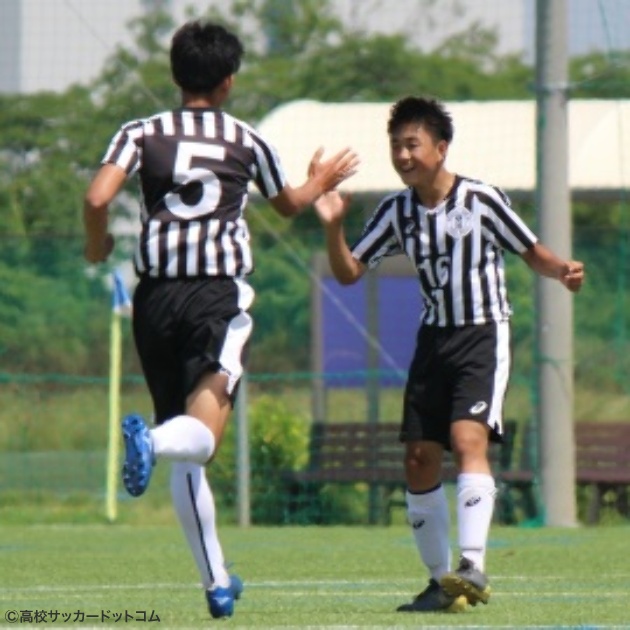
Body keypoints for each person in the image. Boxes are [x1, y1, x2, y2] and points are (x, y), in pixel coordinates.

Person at [82, 20, 358, 620]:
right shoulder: (245, 138)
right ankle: (150, 441)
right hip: (216, 298)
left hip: (154, 301)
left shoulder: (140, 132)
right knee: (197, 441)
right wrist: (321, 181)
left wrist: (96, 244)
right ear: (229, 80)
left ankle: (216, 582)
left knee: (187, 451)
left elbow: (97, 198)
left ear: (175, 73)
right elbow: (288, 204)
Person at [312, 96, 584, 614]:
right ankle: (442, 584)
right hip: (433, 340)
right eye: (396, 146)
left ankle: (473, 564)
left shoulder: (481, 199)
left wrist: (562, 271)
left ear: (440, 148)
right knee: (419, 458)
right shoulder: (395, 211)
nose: (403, 155)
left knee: (466, 439)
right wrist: (332, 226)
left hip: (483, 334)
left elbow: (531, 250)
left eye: (412, 144)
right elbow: (349, 272)